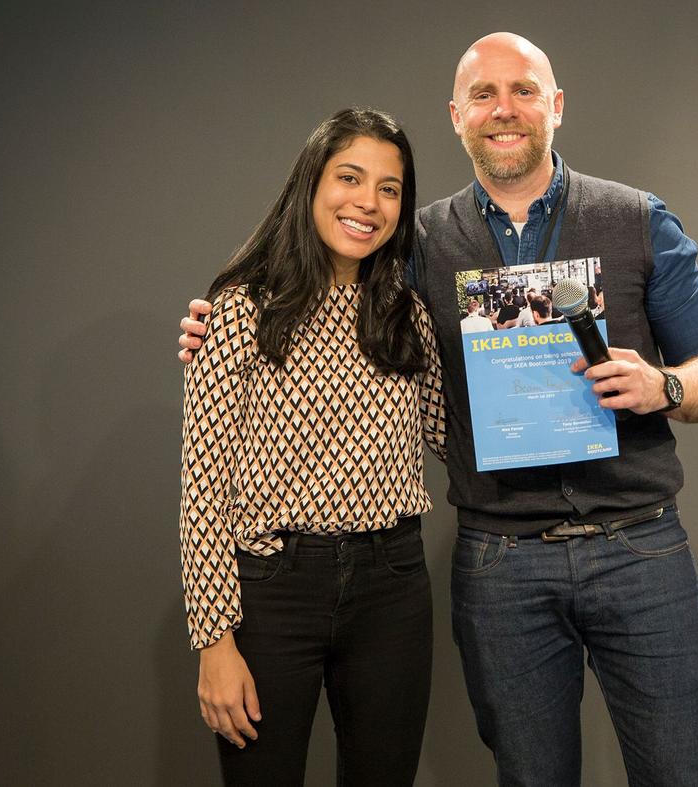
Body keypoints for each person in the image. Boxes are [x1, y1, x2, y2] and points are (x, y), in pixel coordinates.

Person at [181, 33, 698, 786]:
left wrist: (666, 386)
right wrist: (219, 324)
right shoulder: (417, 245)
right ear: (456, 114)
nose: (503, 109)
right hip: (501, 562)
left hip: (637, 548)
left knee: (681, 771)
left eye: (523, 90)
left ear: (557, 105)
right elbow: (337, 311)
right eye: (483, 94)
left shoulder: (636, 219)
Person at [178, 107, 446, 786]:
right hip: (272, 593)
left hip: (392, 588)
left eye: (390, 188)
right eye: (350, 177)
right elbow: (203, 487)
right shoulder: (241, 309)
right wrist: (214, 641)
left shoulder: (406, 314)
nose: (369, 202)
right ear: (312, 183)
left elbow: (454, 435)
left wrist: (556, 386)